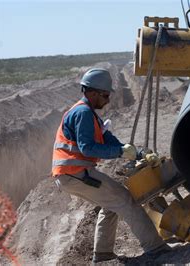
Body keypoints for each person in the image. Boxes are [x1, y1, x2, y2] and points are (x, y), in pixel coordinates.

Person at [52, 68, 168, 263]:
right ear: (91, 92)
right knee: (124, 198)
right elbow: (87, 148)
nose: (107, 99)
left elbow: (111, 142)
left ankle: (103, 254)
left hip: (72, 174)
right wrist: (120, 152)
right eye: (105, 95)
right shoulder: (83, 113)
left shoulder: (91, 115)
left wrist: (137, 152)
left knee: (111, 203)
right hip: (75, 173)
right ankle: (155, 248)